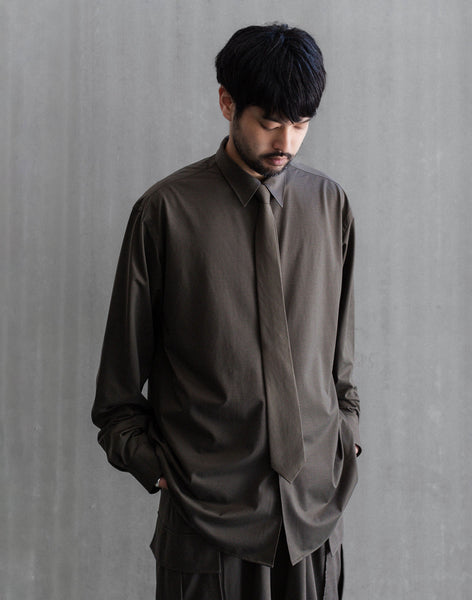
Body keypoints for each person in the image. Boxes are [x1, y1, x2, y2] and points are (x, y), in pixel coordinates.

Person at [92, 23, 361, 600]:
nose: (286, 140)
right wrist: (156, 469)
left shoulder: (330, 206)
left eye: (301, 123)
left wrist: (347, 435)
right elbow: (116, 395)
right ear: (226, 102)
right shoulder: (164, 213)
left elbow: (340, 361)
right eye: (270, 121)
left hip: (313, 521)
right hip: (206, 527)